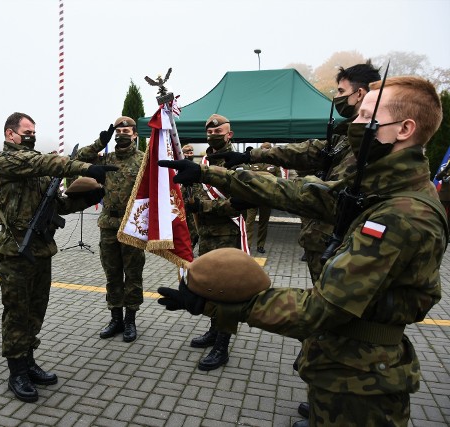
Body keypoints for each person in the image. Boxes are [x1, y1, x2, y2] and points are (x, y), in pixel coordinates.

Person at [158, 76, 447, 426]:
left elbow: (319, 310)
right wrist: (212, 174)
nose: (353, 123)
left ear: (404, 129)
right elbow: (302, 193)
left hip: (362, 381)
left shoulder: (401, 216)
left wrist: (214, 304)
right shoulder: (378, 187)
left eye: (366, 117)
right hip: (340, 363)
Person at [213, 62, 381, 284]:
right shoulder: (348, 138)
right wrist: (251, 155)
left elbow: (312, 194)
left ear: (360, 93)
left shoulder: (373, 143)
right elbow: (308, 150)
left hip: (344, 252)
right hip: (326, 245)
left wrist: (224, 177)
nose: (337, 98)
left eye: (341, 91)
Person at [0, 112, 115, 403]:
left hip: (41, 249)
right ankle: (16, 371)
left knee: (36, 310)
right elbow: (49, 162)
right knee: (17, 313)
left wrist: (88, 196)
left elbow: (58, 201)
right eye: (26, 131)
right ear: (10, 134)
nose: (31, 135)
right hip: (16, 251)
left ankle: (29, 361)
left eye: (34, 131)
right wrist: (86, 166)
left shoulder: (36, 169)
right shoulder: (5, 161)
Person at [184, 114, 248, 371]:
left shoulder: (237, 164)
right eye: (209, 131)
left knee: (227, 291)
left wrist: (204, 206)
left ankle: (222, 345)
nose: (213, 134)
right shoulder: (205, 161)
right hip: (207, 235)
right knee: (210, 287)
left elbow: (242, 202)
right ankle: (213, 331)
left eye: (219, 130)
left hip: (227, 235)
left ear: (229, 134)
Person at [76, 116, 146, 343]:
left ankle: (130, 321)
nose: (122, 133)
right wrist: (99, 141)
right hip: (108, 225)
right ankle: (115, 318)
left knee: (133, 274)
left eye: (127, 130)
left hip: (132, 224)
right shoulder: (105, 158)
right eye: (119, 130)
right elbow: (79, 159)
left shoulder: (143, 160)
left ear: (135, 134)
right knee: (112, 273)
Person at [244, 142, 280, 254]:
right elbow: (246, 178)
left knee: (263, 223)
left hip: (266, 197)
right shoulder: (253, 162)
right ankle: (247, 245)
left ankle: (260, 245)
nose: (265, 151)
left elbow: (279, 181)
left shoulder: (275, 164)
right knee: (249, 222)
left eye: (267, 149)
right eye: (263, 149)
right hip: (252, 197)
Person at [181, 144, 199, 249]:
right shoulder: (179, 168)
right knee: (184, 227)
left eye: (191, 152)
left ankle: (192, 244)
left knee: (195, 228)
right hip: (182, 202)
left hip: (194, 200)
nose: (189, 154)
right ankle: (187, 248)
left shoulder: (197, 167)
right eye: (187, 152)